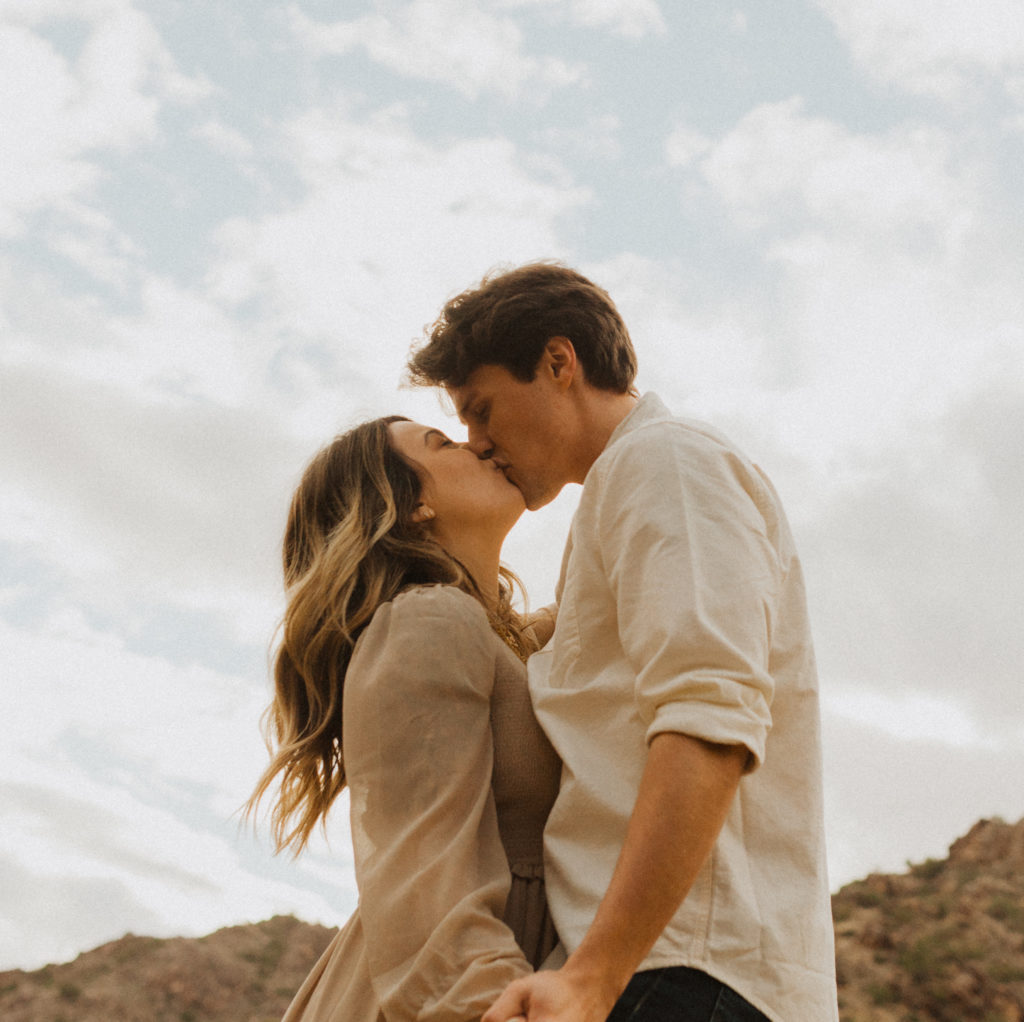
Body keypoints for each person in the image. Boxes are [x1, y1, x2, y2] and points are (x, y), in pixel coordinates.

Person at [406, 263, 839, 1022]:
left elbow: (710, 720)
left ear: (558, 362)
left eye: (482, 411)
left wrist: (596, 973)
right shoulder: (623, 492)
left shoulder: (665, 461)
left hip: (682, 975)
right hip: (654, 971)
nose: (478, 443)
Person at [248, 415, 562, 1022]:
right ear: (411, 503)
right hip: (457, 993)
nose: (476, 445)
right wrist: (493, 1007)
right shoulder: (426, 620)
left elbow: (590, 599)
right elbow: (422, 876)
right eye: (442, 444)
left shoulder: (506, 642)